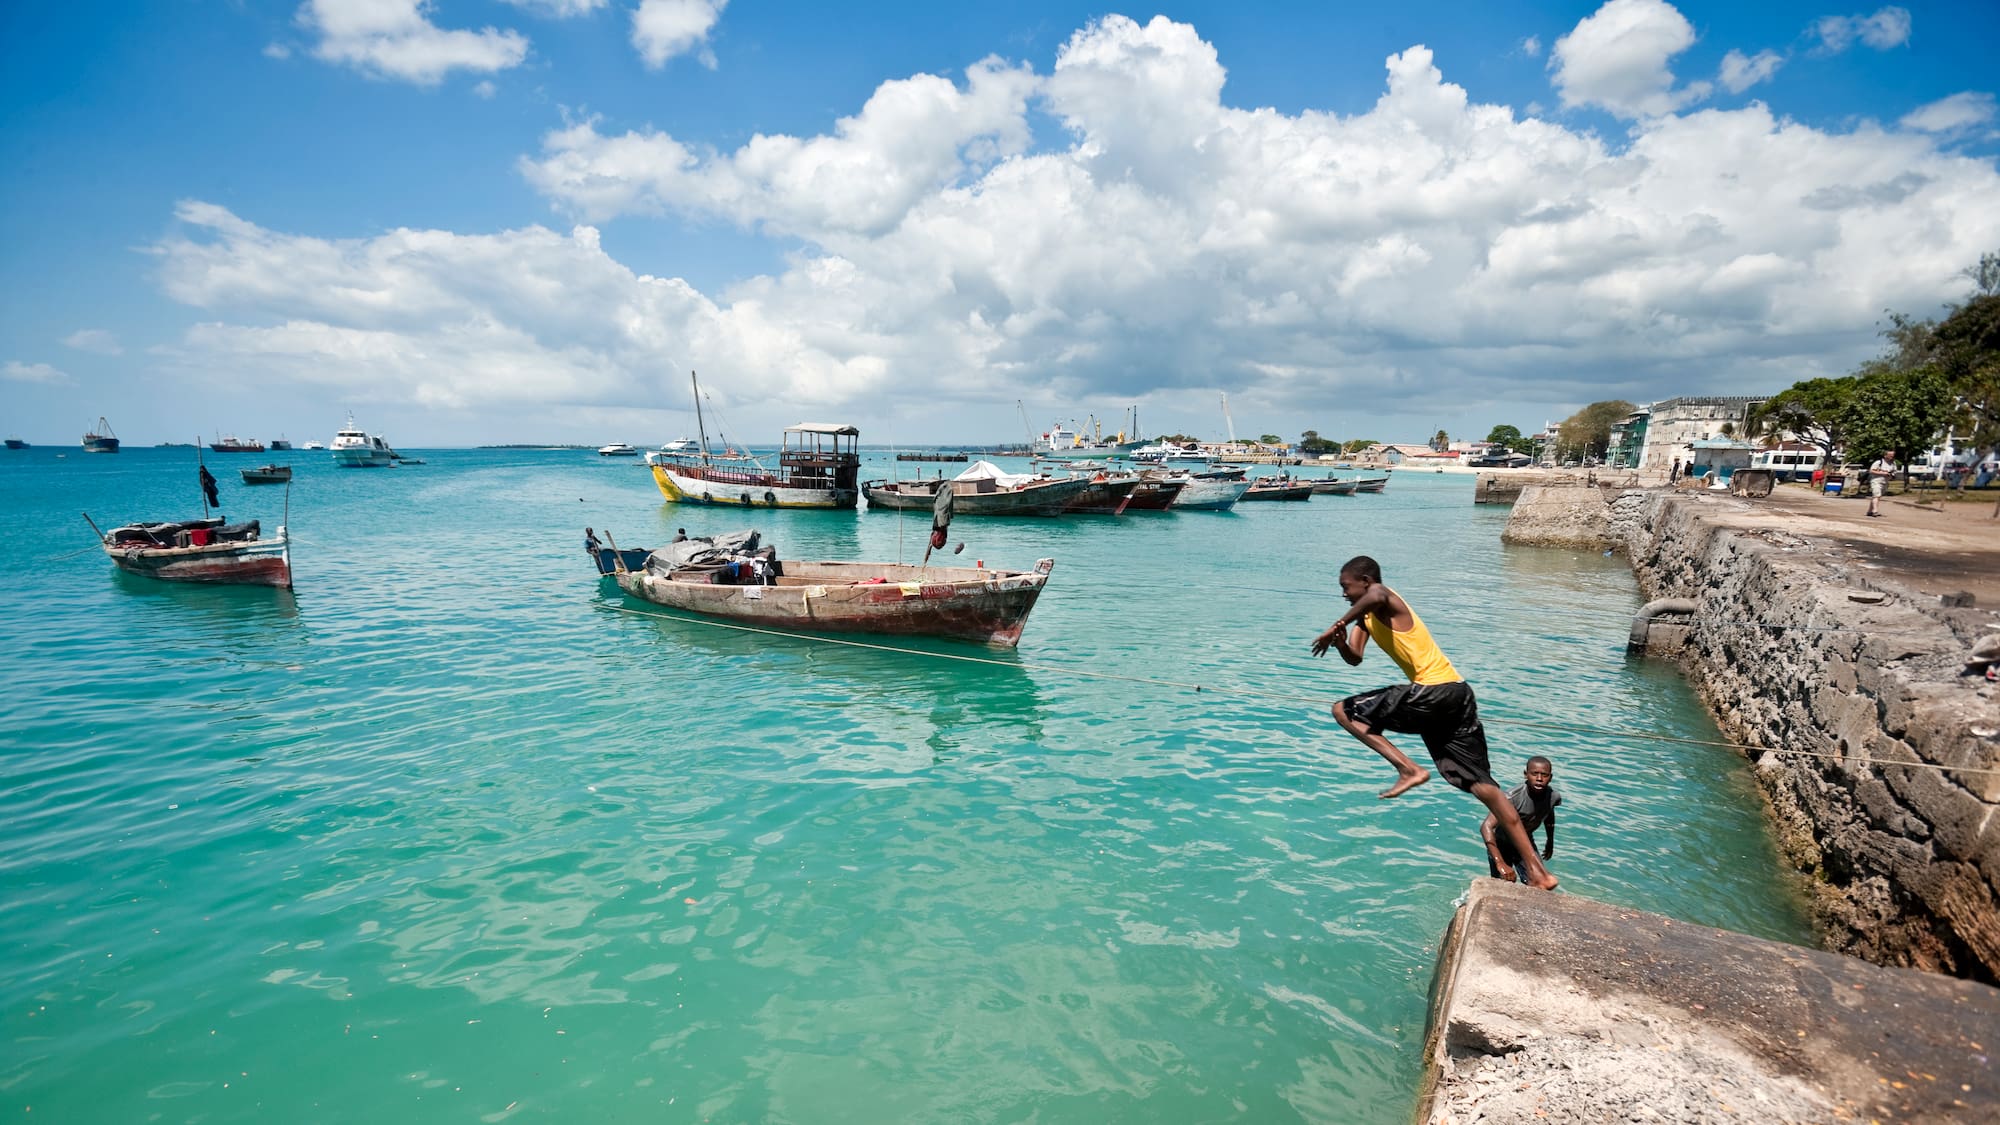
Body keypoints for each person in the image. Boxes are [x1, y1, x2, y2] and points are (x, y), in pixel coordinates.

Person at [1310, 555, 1559, 891]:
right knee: (1484, 787)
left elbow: (1378, 594)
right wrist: (1341, 641)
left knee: (1343, 710)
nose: (1343, 594)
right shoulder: (1366, 618)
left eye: (1346, 586)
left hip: (1435, 690)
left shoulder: (1385, 598)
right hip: (1458, 694)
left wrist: (1335, 622)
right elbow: (1355, 658)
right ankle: (1540, 874)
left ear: (1365, 581)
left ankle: (1408, 769)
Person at [1481, 757, 1561, 882]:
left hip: (1525, 843)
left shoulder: (1553, 796)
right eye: (1534, 774)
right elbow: (1486, 827)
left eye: (1544, 775)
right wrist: (1499, 862)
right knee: (1504, 882)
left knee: (1540, 881)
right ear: (1525, 774)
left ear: (1550, 777)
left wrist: (1549, 841)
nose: (1539, 779)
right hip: (1501, 844)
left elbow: (1549, 815)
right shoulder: (1511, 798)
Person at [1866, 448, 1898, 517]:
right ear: (1885, 455)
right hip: (1876, 481)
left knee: (1877, 497)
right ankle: (1875, 511)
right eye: (1890, 455)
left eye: (1893, 455)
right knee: (1877, 495)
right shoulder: (1879, 462)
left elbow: (1894, 472)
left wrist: (1891, 475)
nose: (1892, 457)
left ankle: (1870, 511)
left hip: (1885, 482)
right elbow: (1871, 471)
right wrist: (1883, 473)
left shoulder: (1893, 463)